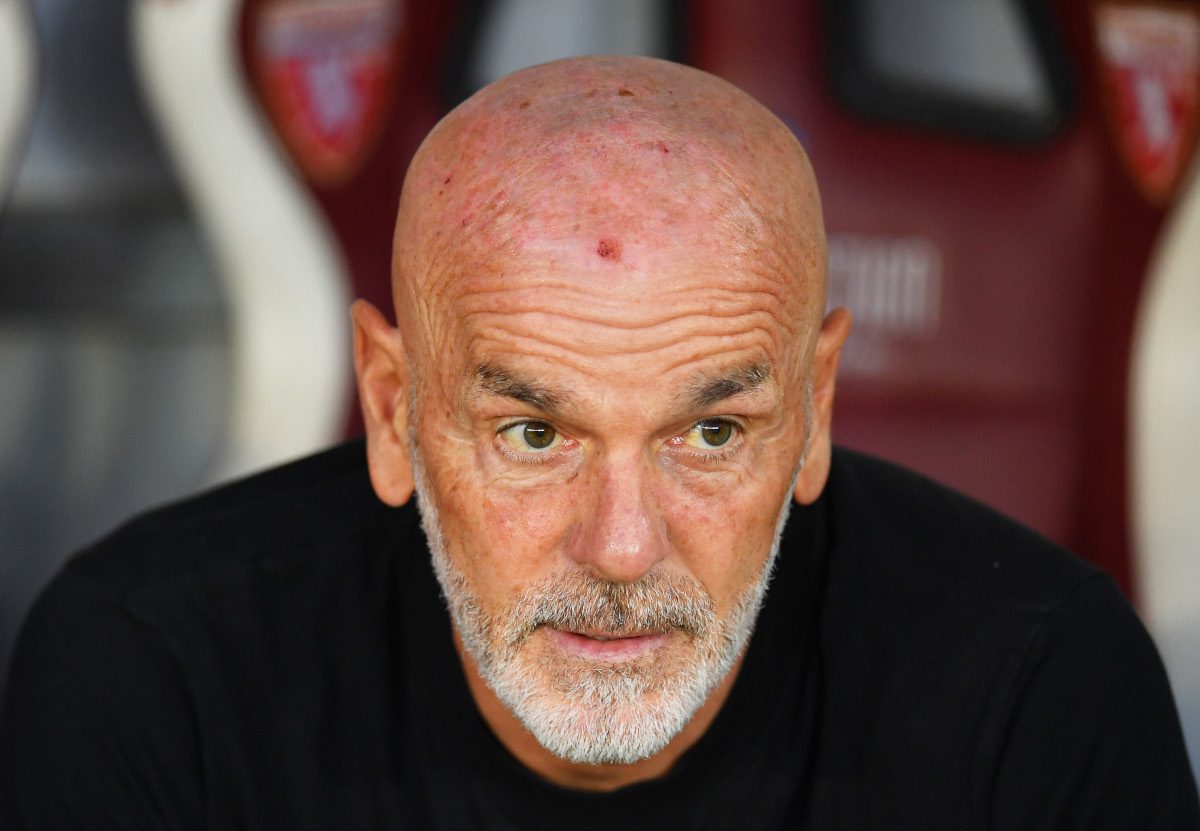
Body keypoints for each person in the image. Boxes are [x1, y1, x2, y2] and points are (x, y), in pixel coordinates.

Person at [1, 55, 1197, 830]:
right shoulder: (156, 683)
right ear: (388, 408)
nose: (623, 550)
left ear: (816, 409)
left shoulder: (1038, 697)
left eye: (712, 431)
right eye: (533, 432)